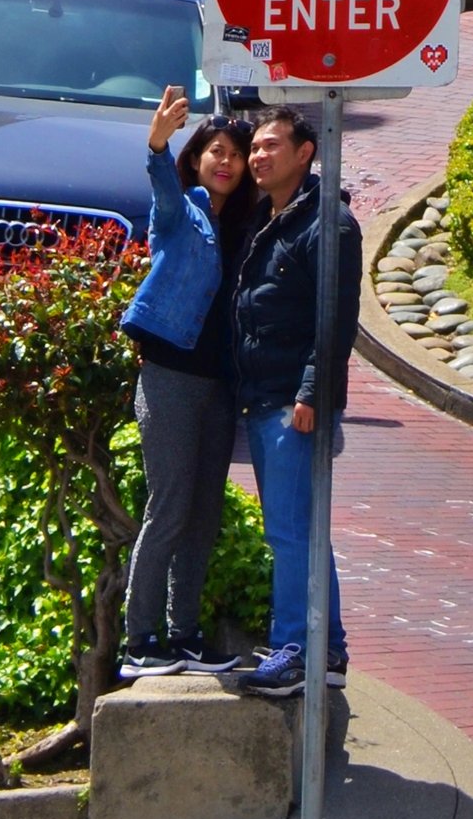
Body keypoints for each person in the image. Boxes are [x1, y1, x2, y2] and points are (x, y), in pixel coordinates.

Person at [120, 87, 258, 677]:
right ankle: (140, 641)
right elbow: (162, 190)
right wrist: (158, 143)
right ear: (197, 159)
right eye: (215, 152)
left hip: (221, 386)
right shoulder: (185, 213)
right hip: (171, 375)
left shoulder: (252, 225)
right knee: (170, 507)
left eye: (236, 154)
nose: (225, 162)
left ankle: (185, 636)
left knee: (203, 514)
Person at [227, 107, 359, 701]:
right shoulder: (270, 218)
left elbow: (335, 321)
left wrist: (311, 392)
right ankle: (324, 648)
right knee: (302, 529)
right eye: (255, 146)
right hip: (263, 398)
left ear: (306, 152)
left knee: (288, 532)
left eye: (272, 145)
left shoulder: (327, 222)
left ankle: (295, 650)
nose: (258, 156)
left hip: (292, 403)